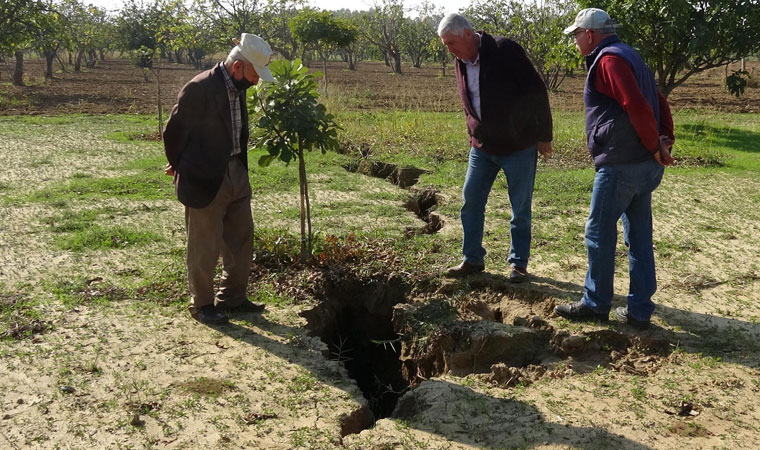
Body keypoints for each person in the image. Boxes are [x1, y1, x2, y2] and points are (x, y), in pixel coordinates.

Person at [554, 9, 675, 330]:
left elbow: (636, 104)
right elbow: (659, 101)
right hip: (645, 166)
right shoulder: (630, 54)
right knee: (639, 237)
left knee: (598, 234)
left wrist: (654, 145)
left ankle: (595, 304)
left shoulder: (609, 60)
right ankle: (639, 311)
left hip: (622, 165)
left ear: (589, 34)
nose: (575, 40)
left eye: (575, 34)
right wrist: (665, 141)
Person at [163, 33, 275, 325]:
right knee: (204, 245)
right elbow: (174, 133)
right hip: (204, 176)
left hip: (236, 169)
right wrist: (179, 165)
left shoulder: (238, 88)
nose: (256, 82)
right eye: (253, 75)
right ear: (238, 67)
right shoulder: (199, 88)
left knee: (241, 238)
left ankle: (232, 298)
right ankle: (202, 305)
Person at [437, 13, 554, 282]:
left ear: (468, 34)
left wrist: (544, 135)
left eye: (451, 43)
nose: (449, 50)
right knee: (471, 202)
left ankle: (518, 264)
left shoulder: (505, 51)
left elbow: (536, 90)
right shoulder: (460, 59)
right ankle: (472, 259)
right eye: (446, 45)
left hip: (519, 146)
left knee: (519, 209)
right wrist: (473, 132)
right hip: (482, 148)